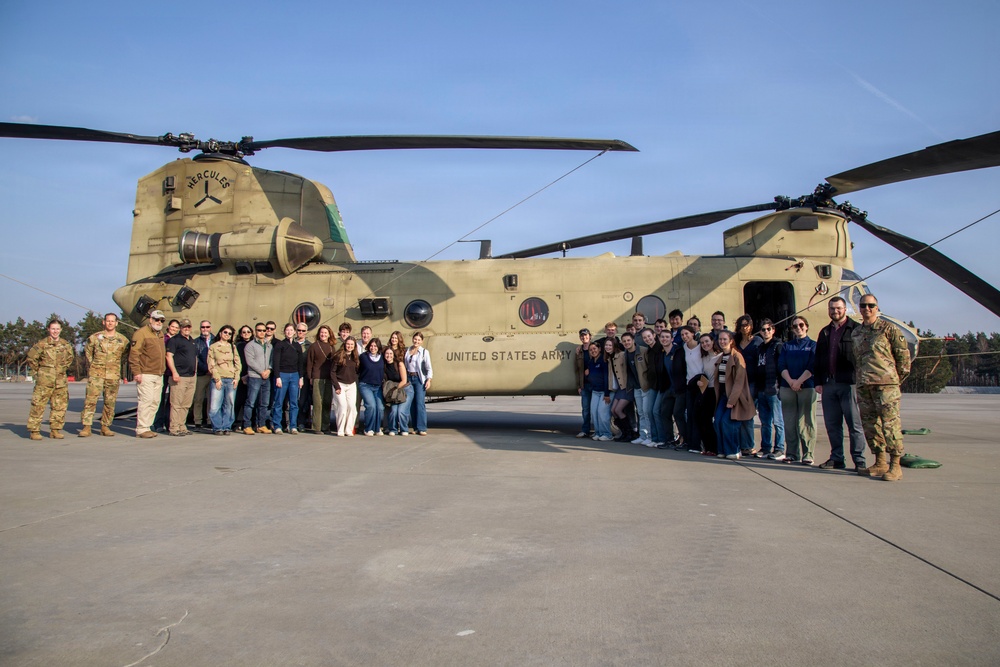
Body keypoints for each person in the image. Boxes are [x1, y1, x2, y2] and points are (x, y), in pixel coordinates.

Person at [852, 295, 911, 481]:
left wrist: (895, 380)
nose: (867, 309)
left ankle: (895, 465)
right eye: (863, 305)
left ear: (877, 307)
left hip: (886, 385)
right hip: (864, 384)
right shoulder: (856, 332)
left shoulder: (889, 329)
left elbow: (903, 358)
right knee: (870, 425)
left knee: (890, 425)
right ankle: (880, 461)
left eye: (871, 305)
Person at [814, 297, 867, 472]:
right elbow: (819, 358)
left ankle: (859, 460)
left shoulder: (856, 330)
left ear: (845, 309)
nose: (834, 311)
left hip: (849, 383)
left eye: (838, 308)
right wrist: (818, 381)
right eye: (832, 308)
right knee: (832, 424)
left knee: (854, 424)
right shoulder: (824, 332)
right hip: (829, 384)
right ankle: (837, 458)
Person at [79, 313, 129, 438]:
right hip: (96, 374)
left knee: (110, 402)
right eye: (108, 321)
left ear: (117, 323)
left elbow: (124, 356)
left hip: (113, 375)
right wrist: (95, 366)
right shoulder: (95, 338)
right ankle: (86, 427)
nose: (110, 323)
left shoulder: (123, 340)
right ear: (103, 322)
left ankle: (105, 426)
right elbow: (88, 353)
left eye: (113, 321)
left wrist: (115, 366)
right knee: (90, 400)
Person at [25, 319, 75, 440]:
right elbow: (31, 358)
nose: (55, 331)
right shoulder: (41, 344)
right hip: (44, 380)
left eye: (57, 329)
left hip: (60, 380)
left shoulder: (65, 344)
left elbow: (70, 358)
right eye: (53, 329)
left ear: (61, 330)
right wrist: (40, 371)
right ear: (48, 329)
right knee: (38, 404)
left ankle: (55, 429)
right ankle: (35, 430)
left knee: (60, 405)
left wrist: (61, 369)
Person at [778, 316, 817, 465]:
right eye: (795, 326)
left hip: (807, 386)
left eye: (801, 325)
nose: (798, 328)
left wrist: (799, 381)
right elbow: (781, 366)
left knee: (806, 421)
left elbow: (812, 366)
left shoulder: (813, 345)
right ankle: (792, 453)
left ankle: (808, 453)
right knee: (789, 421)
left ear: (806, 326)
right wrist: (791, 381)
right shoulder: (787, 346)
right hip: (788, 386)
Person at [713, 329, 755, 460]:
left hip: (735, 396)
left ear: (731, 341)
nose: (722, 341)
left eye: (725, 339)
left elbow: (739, 381)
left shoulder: (737, 357)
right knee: (718, 421)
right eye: (720, 339)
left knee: (728, 422)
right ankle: (722, 449)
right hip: (723, 395)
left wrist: (732, 400)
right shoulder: (720, 357)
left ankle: (734, 450)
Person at [750, 318, 786, 460]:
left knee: (778, 421)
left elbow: (782, 366)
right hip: (761, 389)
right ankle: (765, 448)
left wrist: (781, 386)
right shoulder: (759, 348)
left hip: (774, 389)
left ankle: (779, 449)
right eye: (763, 330)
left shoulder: (778, 346)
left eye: (768, 329)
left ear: (773, 330)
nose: (766, 332)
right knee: (765, 422)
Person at [129, 310, 167, 438]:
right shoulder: (141, 334)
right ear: (150, 320)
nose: (159, 322)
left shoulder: (160, 334)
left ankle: (147, 426)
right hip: (146, 373)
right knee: (146, 400)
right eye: (156, 319)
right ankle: (141, 428)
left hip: (158, 373)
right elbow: (134, 354)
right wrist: (137, 372)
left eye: (161, 320)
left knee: (155, 401)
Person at [733, 314, 761, 456]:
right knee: (739, 415)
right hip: (738, 382)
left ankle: (749, 445)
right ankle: (742, 444)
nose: (744, 328)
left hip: (752, 382)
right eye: (742, 325)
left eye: (746, 324)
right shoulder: (736, 342)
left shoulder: (757, 341)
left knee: (748, 414)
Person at [165, 319, 198, 437]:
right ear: (180, 328)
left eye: (188, 327)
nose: (187, 329)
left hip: (191, 377)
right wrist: (174, 372)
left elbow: (194, 358)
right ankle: (174, 428)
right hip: (179, 377)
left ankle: (182, 426)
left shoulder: (192, 341)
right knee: (176, 404)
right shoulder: (174, 341)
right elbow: (169, 356)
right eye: (184, 327)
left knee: (186, 404)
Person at [207, 325, 241, 435]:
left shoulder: (233, 347)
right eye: (225, 332)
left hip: (231, 379)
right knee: (215, 405)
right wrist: (217, 379)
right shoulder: (213, 347)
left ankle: (227, 426)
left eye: (230, 333)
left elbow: (238, 363)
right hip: (219, 379)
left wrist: (236, 378)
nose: (227, 335)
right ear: (221, 333)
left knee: (229, 404)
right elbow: (211, 364)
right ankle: (217, 427)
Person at [271, 324, 303, 434]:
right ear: (284, 332)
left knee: (294, 402)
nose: (289, 332)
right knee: (279, 402)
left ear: (294, 332)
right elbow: (276, 362)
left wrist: (301, 377)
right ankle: (277, 425)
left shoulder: (297, 346)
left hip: (294, 375)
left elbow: (300, 363)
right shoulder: (280, 345)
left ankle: (293, 426)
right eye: (287, 330)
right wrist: (277, 377)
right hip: (283, 374)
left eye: (291, 330)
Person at [242, 323, 273, 434]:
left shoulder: (269, 345)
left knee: (264, 403)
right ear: (255, 331)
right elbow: (250, 361)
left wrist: (269, 370)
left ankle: (261, 425)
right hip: (255, 377)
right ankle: (247, 425)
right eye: (259, 330)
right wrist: (261, 372)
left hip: (266, 377)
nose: (262, 332)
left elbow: (271, 360)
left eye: (264, 330)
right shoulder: (250, 345)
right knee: (250, 402)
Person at [306, 325, 336, 433]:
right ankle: (316, 427)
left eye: (325, 333)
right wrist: (310, 377)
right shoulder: (314, 346)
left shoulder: (332, 347)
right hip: (317, 377)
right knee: (318, 403)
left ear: (329, 334)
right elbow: (309, 363)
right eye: (322, 333)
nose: (323, 335)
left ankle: (325, 426)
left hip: (328, 378)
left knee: (327, 402)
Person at [153, 318, 180, 433]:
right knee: (159, 399)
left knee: (172, 400)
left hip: (174, 373)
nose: (174, 329)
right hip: (163, 372)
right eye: (172, 327)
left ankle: (169, 423)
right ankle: (158, 423)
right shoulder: (162, 339)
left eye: (176, 328)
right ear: (168, 327)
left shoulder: (179, 340)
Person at [695, 333, 720, 456]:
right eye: (702, 343)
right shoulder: (703, 358)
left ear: (712, 341)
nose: (705, 344)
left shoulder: (720, 356)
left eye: (707, 341)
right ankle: (708, 447)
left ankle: (716, 448)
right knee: (704, 419)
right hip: (706, 391)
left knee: (715, 420)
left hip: (717, 391)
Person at [405, 331, 433, 436]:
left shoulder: (424, 352)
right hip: (409, 378)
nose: (416, 341)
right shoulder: (408, 350)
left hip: (419, 379)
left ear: (422, 341)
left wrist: (429, 379)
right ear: (413, 339)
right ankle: (415, 427)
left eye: (419, 340)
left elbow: (429, 368)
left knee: (420, 403)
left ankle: (422, 428)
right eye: (415, 339)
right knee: (411, 404)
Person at [608, 336, 635, 443]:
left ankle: (630, 433)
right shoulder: (610, 357)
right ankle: (624, 432)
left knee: (618, 410)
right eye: (606, 346)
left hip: (626, 387)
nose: (608, 347)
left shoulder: (622, 355)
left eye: (610, 345)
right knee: (613, 410)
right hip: (620, 387)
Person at [331, 337, 359, 436]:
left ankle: (348, 429)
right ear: (344, 344)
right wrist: (336, 386)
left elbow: (357, 371)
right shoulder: (339, 356)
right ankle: (340, 429)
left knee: (352, 407)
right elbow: (332, 372)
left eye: (352, 344)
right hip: (340, 384)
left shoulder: (355, 357)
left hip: (351, 385)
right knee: (342, 407)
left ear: (354, 346)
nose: (349, 346)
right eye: (348, 344)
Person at [584, 341, 612, 441]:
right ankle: (598, 432)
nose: (593, 351)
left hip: (604, 392)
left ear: (599, 349)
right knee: (594, 412)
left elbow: (606, 377)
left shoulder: (604, 361)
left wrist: (607, 393)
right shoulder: (591, 362)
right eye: (591, 350)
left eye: (595, 349)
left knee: (602, 413)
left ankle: (607, 434)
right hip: (595, 391)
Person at [358, 338, 385, 436]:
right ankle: (368, 428)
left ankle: (377, 428)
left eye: (375, 346)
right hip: (365, 385)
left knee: (380, 407)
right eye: (371, 346)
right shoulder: (363, 357)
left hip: (378, 386)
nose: (373, 348)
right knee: (371, 406)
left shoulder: (382, 357)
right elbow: (357, 369)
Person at [383, 346, 410, 435]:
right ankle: (393, 429)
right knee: (393, 410)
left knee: (401, 411)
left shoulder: (399, 364)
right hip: (394, 390)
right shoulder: (384, 365)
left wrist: (394, 389)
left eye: (391, 354)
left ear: (394, 355)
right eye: (387, 354)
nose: (389, 355)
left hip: (405, 388)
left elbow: (404, 381)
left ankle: (404, 429)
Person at [191, 320, 213, 430]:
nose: (205, 329)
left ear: (210, 328)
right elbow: (196, 359)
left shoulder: (216, 340)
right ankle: (197, 421)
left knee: (211, 398)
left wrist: (212, 370)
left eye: (207, 327)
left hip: (214, 375)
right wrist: (206, 369)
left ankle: (210, 420)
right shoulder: (196, 342)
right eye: (203, 327)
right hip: (201, 374)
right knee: (198, 398)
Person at [574, 328, 593, 438]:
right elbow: (577, 370)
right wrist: (578, 385)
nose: (584, 337)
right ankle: (585, 430)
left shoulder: (595, 347)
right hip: (584, 384)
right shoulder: (579, 351)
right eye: (582, 336)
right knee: (585, 409)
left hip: (595, 384)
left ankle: (598, 430)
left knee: (595, 410)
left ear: (590, 336)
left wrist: (590, 369)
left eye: (586, 335)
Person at [233, 325, 254, 430]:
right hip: (240, 376)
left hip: (252, 374)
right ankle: (235, 422)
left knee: (250, 400)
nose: (246, 334)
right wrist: (241, 376)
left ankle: (248, 422)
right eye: (244, 332)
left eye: (248, 332)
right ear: (241, 334)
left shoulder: (254, 344)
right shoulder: (237, 346)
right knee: (238, 401)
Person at [295, 323, 312, 431]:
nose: (300, 332)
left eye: (303, 331)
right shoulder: (290, 343)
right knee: (290, 400)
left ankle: (301, 422)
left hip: (304, 376)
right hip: (291, 374)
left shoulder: (309, 346)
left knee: (302, 400)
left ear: (306, 332)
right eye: (299, 330)